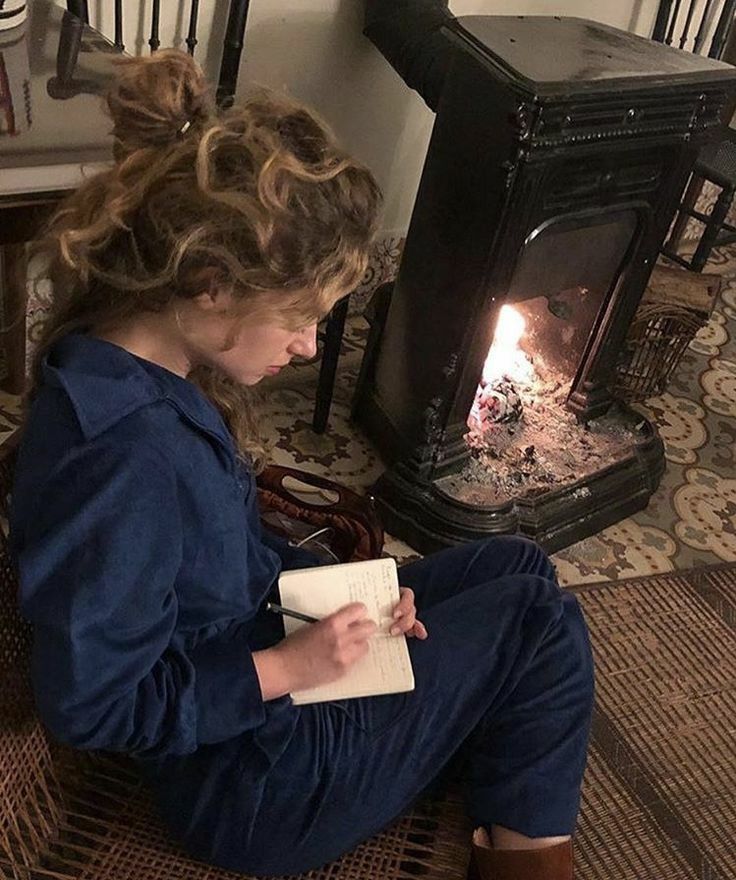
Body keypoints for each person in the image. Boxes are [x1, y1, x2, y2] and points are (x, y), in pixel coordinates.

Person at [10, 50, 594, 880]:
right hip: (256, 782)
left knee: (521, 565)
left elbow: (221, 561)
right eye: (300, 318)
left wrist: (359, 598)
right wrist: (291, 666)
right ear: (211, 283)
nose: (309, 345)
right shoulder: (120, 458)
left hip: (262, 665)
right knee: (542, 626)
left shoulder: (138, 370)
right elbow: (92, 703)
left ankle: (478, 733)